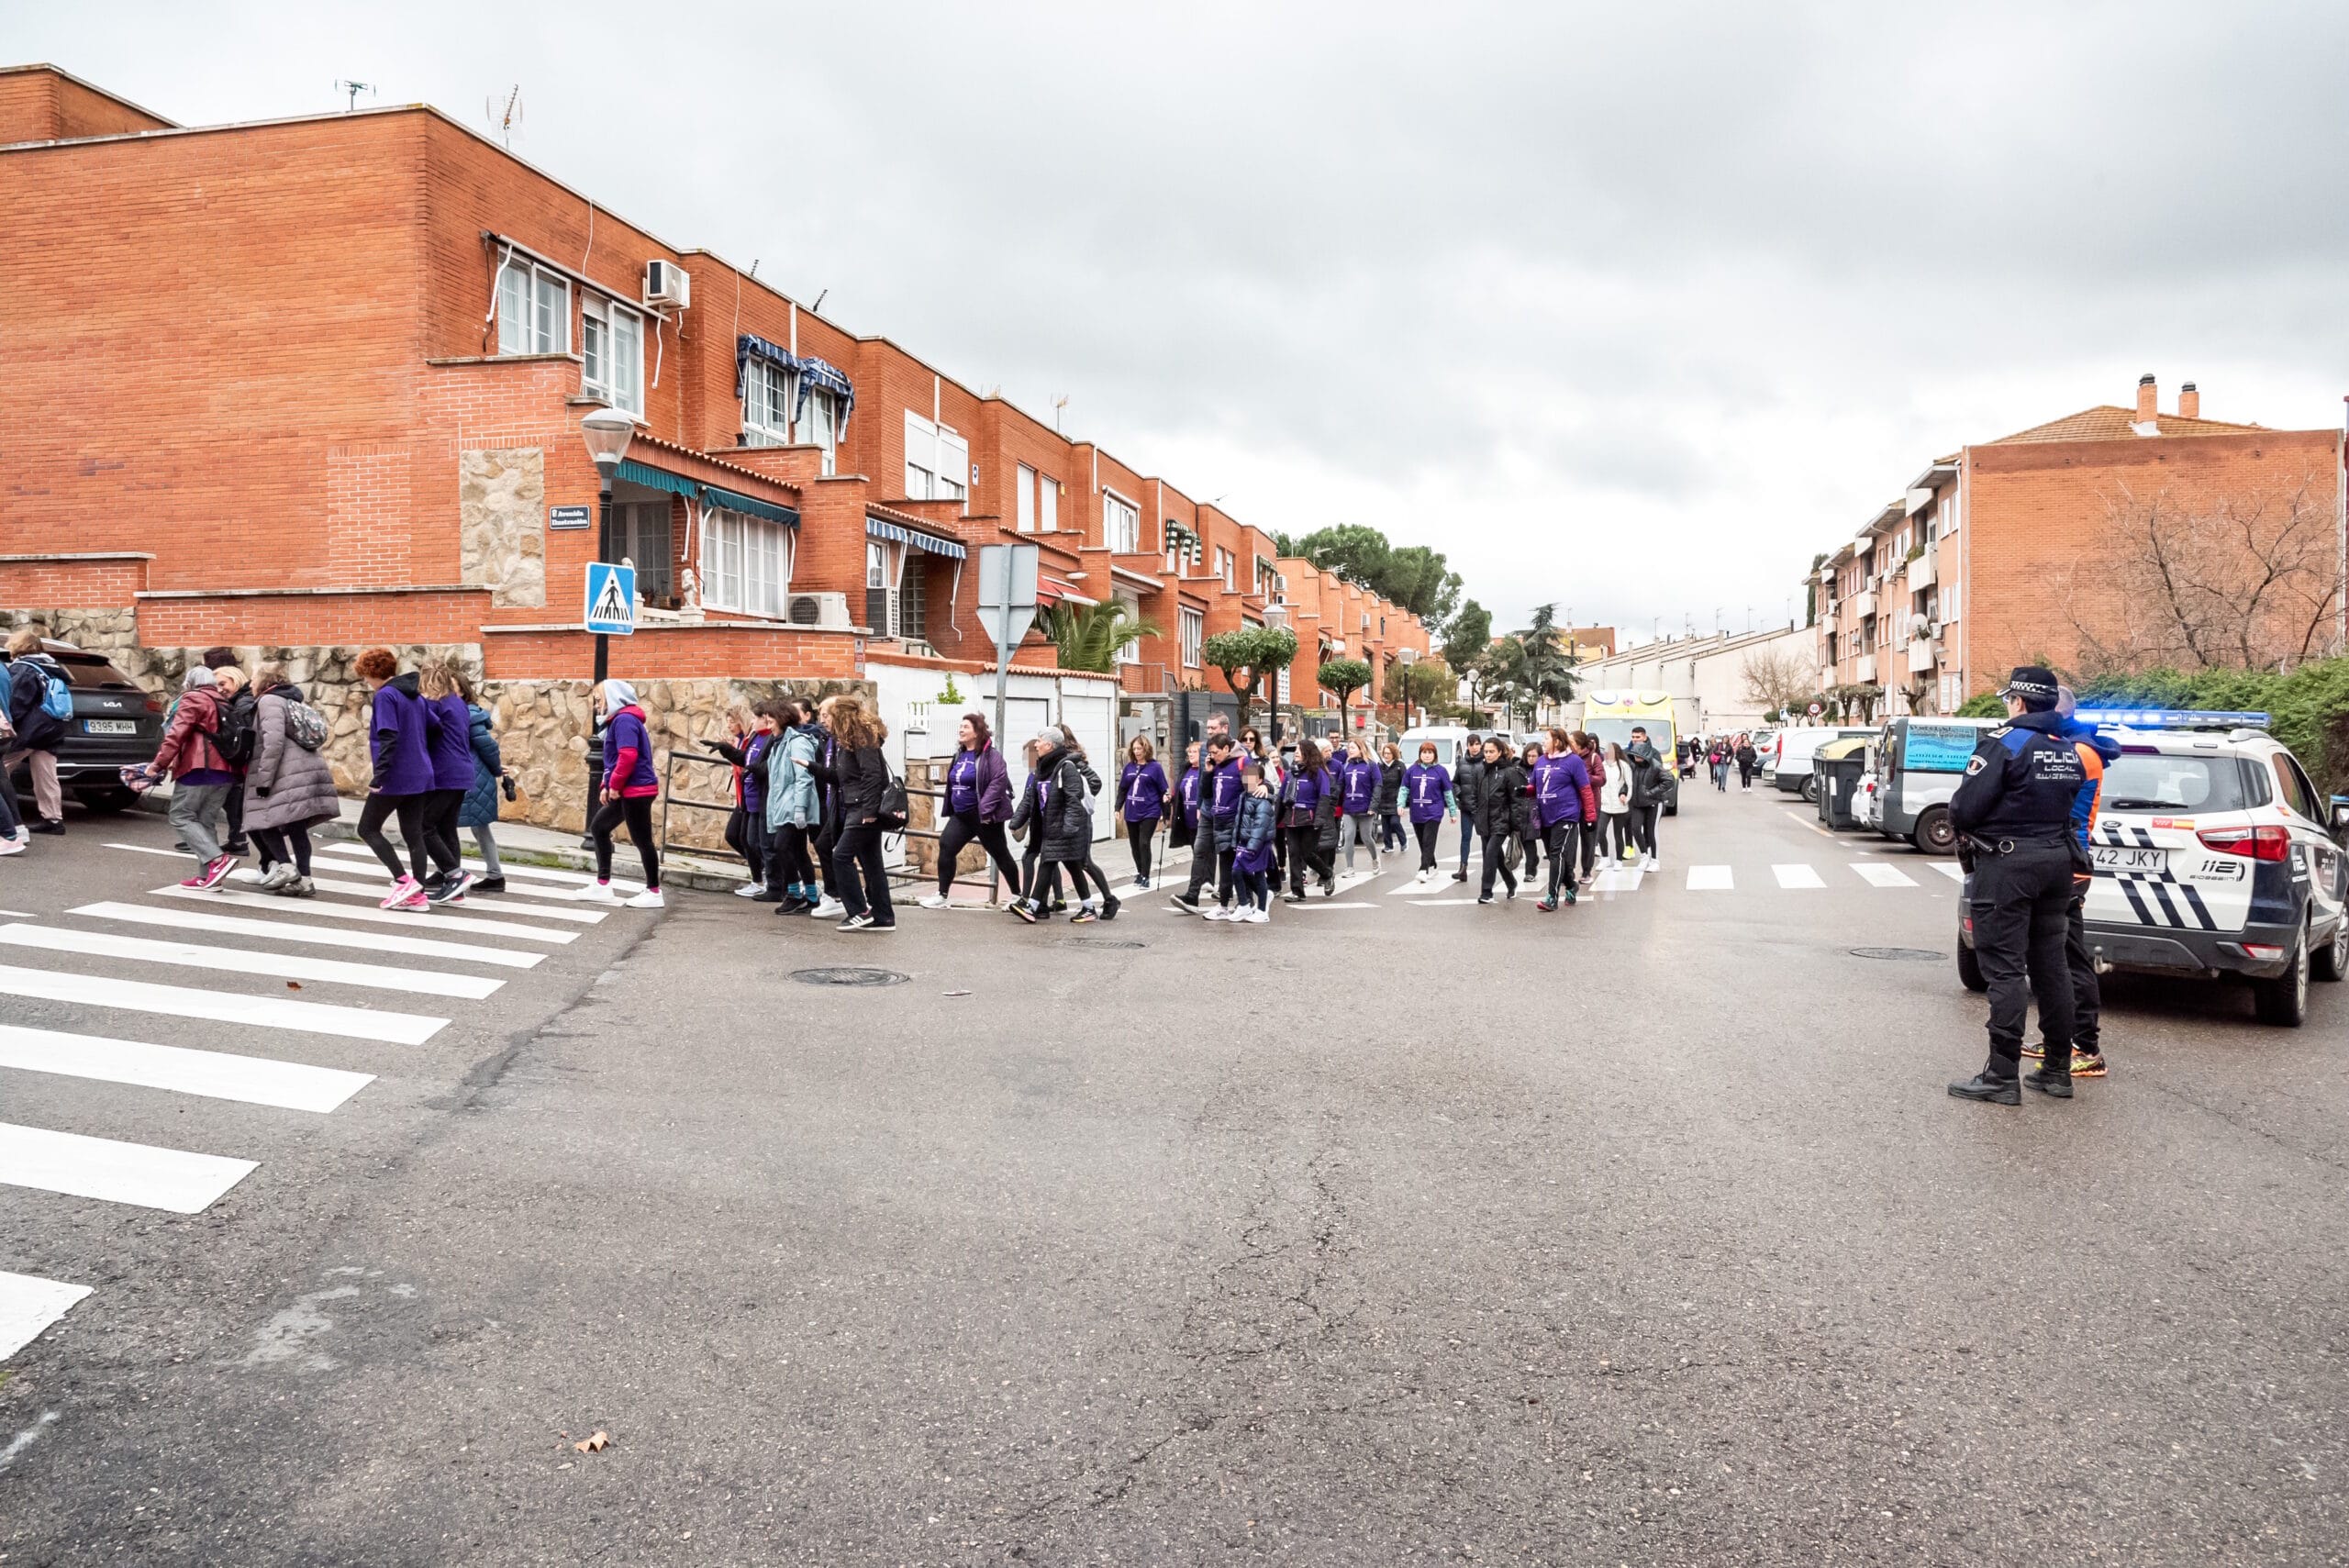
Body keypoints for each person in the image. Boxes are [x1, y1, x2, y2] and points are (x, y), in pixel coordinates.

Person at [1946, 666, 2087, 1106]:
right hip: (2056, 864)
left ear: (2019, 701)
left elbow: (1964, 810)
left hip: (2008, 866)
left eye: (2010, 699)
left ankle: (2002, 1074)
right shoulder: (2066, 748)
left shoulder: (2005, 743)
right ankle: (2058, 1070)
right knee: (2052, 967)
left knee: (2005, 969)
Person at [2027, 687, 2120, 1082]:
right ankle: (2061, 1038)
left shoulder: (2078, 753)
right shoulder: (2073, 747)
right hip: (2066, 861)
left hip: (2069, 865)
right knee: (2054, 957)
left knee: (2069, 959)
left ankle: (2086, 1046)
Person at [240, 662, 337, 896]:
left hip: (286, 772)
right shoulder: (292, 699)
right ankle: (305, 880)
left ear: (264, 680)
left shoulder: (268, 701)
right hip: (304, 769)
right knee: (296, 827)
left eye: (253, 679)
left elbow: (273, 743)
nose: (250, 683)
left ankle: (285, 865)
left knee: (262, 819)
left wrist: (264, 781)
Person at [143, 666, 239, 889]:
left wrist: (157, 765)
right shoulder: (223, 701)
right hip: (225, 770)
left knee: (181, 815)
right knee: (205, 820)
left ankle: (218, 860)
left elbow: (176, 735)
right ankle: (209, 877)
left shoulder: (193, 698)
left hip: (199, 768)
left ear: (190, 683)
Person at [352, 648, 433, 909]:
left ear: (372, 672)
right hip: (420, 772)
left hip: (396, 774)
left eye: (365, 674)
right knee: (413, 833)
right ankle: (418, 894)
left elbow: (388, 735)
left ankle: (403, 881)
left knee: (367, 828)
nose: (365, 680)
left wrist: (379, 776)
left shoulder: (386, 695)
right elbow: (436, 726)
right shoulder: (416, 697)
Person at [579, 678, 665, 909]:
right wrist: (607, 785)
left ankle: (654, 891)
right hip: (629, 788)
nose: (597, 706)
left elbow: (628, 756)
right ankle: (603, 884)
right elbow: (615, 759)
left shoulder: (624, 720)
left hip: (636, 789)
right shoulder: (620, 720)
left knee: (642, 840)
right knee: (599, 828)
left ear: (612, 699)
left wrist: (614, 786)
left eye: (599, 700)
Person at [923, 713, 1021, 909]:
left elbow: (998, 782)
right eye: (960, 726)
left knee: (1000, 854)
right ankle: (942, 895)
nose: (961, 730)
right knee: (946, 845)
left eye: (966, 727)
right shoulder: (959, 755)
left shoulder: (991, 756)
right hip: (961, 815)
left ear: (977, 733)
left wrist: (985, 809)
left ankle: (1018, 895)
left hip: (983, 816)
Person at [824, 700, 892, 930]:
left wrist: (869, 811)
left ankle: (859, 911)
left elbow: (872, 775)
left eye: (828, 715)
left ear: (840, 716)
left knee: (840, 857)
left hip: (862, 809)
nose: (824, 721)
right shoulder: (850, 739)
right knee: (872, 864)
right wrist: (812, 767)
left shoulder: (861, 737)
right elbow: (844, 776)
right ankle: (884, 917)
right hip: (859, 807)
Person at [416, 661, 476, 905]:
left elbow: (421, 729)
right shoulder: (457, 703)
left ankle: (455, 875)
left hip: (445, 773)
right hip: (462, 772)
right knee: (446, 828)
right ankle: (455, 888)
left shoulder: (434, 705)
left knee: (423, 826)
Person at [4, 628, 70, 836]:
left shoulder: (23, 669)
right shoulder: (51, 667)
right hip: (52, 727)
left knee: (2, 769)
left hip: (30, 730)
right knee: (46, 776)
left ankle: (8, 822)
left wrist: (7, 725)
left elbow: (16, 703)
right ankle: (53, 819)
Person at [1052, 723, 1120, 922]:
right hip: (1064, 818)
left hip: (1079, 818)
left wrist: (1079, 799)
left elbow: (1095, 783)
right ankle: (1057, 900)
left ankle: (1110, 899)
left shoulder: (1074, 761)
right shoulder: (1058, 761)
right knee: (1065, 860)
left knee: (1084, 861)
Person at [764, 700, 825, 917]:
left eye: (771, 722)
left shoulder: (797, 742)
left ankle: (794, 893)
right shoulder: (779, 743)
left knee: (781, 846)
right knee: (798, 851)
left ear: (781, 720)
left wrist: (800, 808)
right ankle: (811, 896)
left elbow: (804, 777)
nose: (768, 726)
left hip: (793, 805)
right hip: (785, 804)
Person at [1172, 732, 1241, 915]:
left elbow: (1255, 787)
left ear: (1226, 748)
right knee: (1207, 853)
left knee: (1238, 862)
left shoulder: (1243, 762)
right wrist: (1209, 772)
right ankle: (1201, 898)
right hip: (1213, 815)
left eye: (1215, 752)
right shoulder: (1215, 765)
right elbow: (1205, 792)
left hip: (1233, 820)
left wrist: (1265, 787)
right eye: (1210, 752)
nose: (1212, 756)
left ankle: (1251, 900)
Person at [454, 669, 510, 894]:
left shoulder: (468, 714)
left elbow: (488, 746)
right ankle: (493, 875)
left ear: (463, 691)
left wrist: (497, 769)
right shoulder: (460, 712)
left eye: (452, 688)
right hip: (472, 775)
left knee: (447, 826)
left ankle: (450, 872)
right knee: (478, 827)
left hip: (472, 777)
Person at [711, 703, 774, 899]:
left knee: (755, 841)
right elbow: (744, 760)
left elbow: (758, 766)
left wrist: (750, 767)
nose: (729, 725)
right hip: (746, 796)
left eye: (732, 721)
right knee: (743, 838)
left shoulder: (762, 738)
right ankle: (762, 877)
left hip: (757, 797)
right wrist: (727, 750)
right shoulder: (749, 739)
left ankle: (772, 878)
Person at [1532, 727, 1593, 912]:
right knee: (1555, 856)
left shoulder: (1573, 761)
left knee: (1556, 853)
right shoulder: (1541, 761)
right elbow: (1534, 785)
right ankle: (1571, 885)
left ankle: (1552, 897)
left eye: (1546, 738)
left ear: (1557, 742)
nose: (1543, 742)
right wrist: (1525, 791)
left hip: (1566, 814)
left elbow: (1585, 789)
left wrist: (1590, 816)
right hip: (1546, 814)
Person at [201, 648, 255, 855]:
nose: (220, 689)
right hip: (243, 763)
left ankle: (239, 842)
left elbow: (242, 735)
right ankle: (237, 840)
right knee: (233, 800)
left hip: (242, 763)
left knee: (233, 799)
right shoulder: (240, 700)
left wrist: (214, 737)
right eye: (217, 686)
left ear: (235, 679)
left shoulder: (242, 703)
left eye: (223, 684)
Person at [1219, 762, 1279, 925]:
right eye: (1245, 776)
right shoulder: (1244, 796)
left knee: (1247, 872)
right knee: (1243, 872)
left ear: (1259, 780)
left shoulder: (1262, 800)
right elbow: (1240, 821)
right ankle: (1249, 905)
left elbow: (1261, 825)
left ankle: (1258, 909)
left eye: (1250, 777)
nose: (1246, 779)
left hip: (1257, 844)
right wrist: (1236, 841)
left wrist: (1252, 846)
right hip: (1246, 841)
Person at [1280, 737, 1335, 902]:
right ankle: (1297, 891)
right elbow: (1281, 798)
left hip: (1309, 820)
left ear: (1308, 753)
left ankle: (1327, 873)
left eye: (1299, 750)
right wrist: (1275, 819)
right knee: (1293, 854)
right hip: (1291, 819)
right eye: (1296, 750)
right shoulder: (1290, 774)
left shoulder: (1318, 773)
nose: (1296, 753)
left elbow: (1324, 797)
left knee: (1307, 853)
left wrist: (1319, 819)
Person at [1474, 738, 1525, 905]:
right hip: (1484, 820)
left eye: (1491, 752)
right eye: (1486, 752)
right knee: (1496, 856)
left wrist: (1516, 826)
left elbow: (1516, 801)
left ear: (1500, 752)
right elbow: (1476, 794)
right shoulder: (1481, 770)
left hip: (1501, 821)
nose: (1488, 755)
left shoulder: (1509, 772)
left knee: (1490, 854)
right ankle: (1511, 882)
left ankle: (1486, 892)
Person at [1116, 735, 1169, 890]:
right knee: (1134, 845)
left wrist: (1165, 813)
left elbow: (1163, 791)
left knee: (1144, 842)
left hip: (1150, 810)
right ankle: (1140, 872)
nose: (1137, 751)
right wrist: (1117, 807)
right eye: (1135, 749)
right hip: (1132, 811)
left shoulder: (1155, 768)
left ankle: (1146, 876)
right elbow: (1123, 789)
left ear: (1146, 749)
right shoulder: (1129, 768)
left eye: (1140, 748)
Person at [1403, 740, 1455, 884]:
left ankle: (1423, 869)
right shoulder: (1412, 770)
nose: (1427, 755)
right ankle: (1432, 865)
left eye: (1430, 753)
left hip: (1434, 812)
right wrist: (1400, 804)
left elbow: (1448, 793)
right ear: (1420, 754)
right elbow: (1404, 789)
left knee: (1428, 840)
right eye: (1424, 752)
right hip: (1417, 811)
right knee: (1422, 841)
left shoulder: (1441, 771)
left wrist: (1452, 811)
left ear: (1435, 755)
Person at [1336, 738, 1381, 874]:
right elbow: (1340, 785)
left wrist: (1373, 806)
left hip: (1366, 808)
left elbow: (1377, 785)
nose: (1350, 750)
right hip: (1349, 807)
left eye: (1353, 748)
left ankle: (1375, 859)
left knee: (1366, 837)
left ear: (1361, 749)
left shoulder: (1371, 765)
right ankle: (1350, 867)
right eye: (1349, 748)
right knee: (1349, 836)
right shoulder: (1346, 766)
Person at [1624, 725, 1665, 871]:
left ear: (1645, 737)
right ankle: (1644, 855)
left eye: (1638, 737)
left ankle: (1655, 860)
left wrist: (1651, 792)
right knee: (1635, 828)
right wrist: (1623, 792)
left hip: (1652, 801)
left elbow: (1664, 779)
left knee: (1650, 831)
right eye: (1633, 737)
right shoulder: (1628, 754)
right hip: (1636, 801)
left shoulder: (1654, 753)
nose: (1635, 739)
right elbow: (1626, 777)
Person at [1571, 731, 1605, 885]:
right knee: (1570, 840)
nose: (1569, 745)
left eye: (1572, 742)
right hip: (1572, 803)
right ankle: (1568, 871)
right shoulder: (1568, 757)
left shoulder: (1593, 757)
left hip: (1590, 804)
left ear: (1579, 744)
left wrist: (1584, 777)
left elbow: (1602, 779)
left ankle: (1586, 871)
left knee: (1588, 839)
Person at [1453, 733, 1485, 883]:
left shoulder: (1486, 762)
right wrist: (1460, 793)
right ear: (1468, 746)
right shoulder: (1462, 762)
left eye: (1477, 744)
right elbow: (1455, 782)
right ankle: (1463, 868)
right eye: (1471, 744)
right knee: (1465, 837)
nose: (1474, 747)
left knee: (1485, 839)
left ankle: (1487, 868)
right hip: (1466, 807)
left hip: (1481, 808)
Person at [1513, 737, 1543, 883]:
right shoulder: (1517, 769)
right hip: (1522, 808)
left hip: (1537, 808)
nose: (1531, 759)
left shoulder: (1542, 768)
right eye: (1529, 756)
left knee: (1534, 839)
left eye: (1534, 756)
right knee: (1526, 839)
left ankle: (1531, 869)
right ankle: (1531, 865)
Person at [1600, 740, 1635, 864]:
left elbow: (1629, 785)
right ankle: (1605, 858)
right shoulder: (1602, 765)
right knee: (1600, 832)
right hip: (1605, 805)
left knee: (1618, 834)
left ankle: (1618, 860)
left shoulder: (1624, 766)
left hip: (1619, 806)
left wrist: (1626, 798)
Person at [1375, 740, 1407, 854]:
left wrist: (1403, 800)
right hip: (1383, 799)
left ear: (1394, 754)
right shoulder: (1380, 766)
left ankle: (1403, 842)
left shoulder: (1400, 766)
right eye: (1385, 753)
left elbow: (1405, 783)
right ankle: (1388, 845)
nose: (1386, 755)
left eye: (1389, 753)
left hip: (1395, 800)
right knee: (1385, 825)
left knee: (1394, 822)